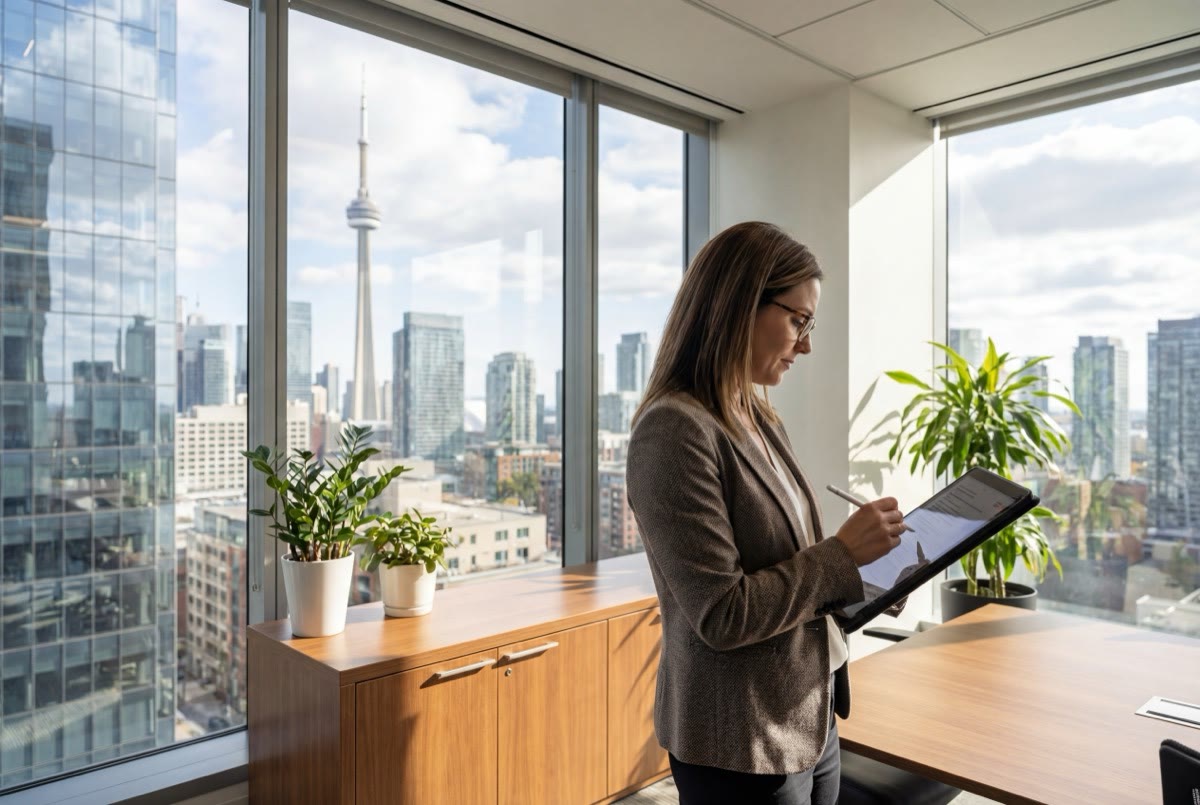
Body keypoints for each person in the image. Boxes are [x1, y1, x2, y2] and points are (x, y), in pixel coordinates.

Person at [626, 221, 907, 805]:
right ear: (738, 305)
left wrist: (875, 573)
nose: (806, 345)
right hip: (740, 739)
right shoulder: (673, 430)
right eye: (798, 321)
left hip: (810, 714)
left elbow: (791, 567)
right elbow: (723, 613)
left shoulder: (757, 415)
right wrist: (842, 554)